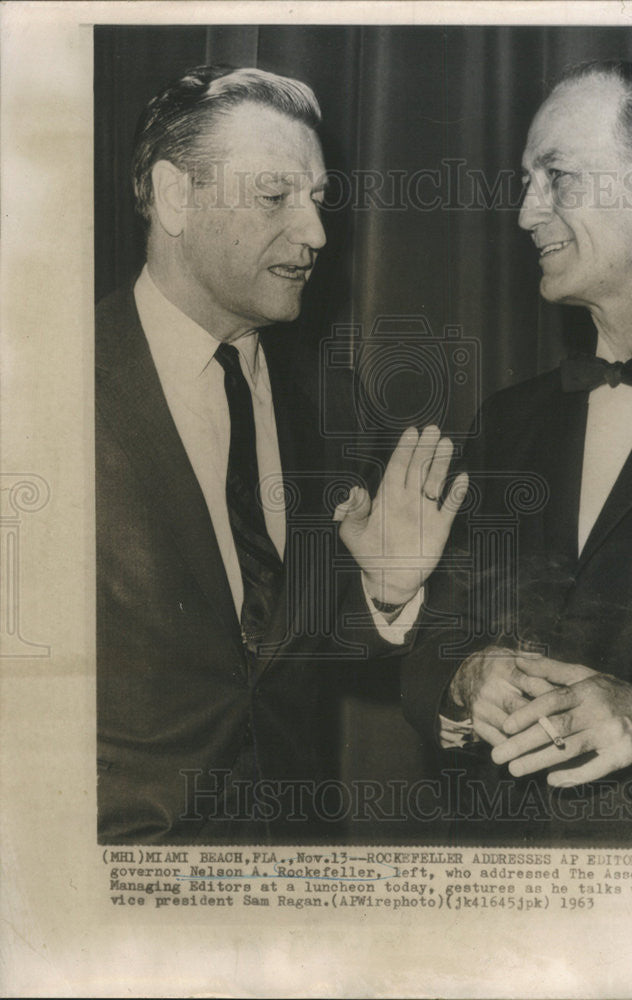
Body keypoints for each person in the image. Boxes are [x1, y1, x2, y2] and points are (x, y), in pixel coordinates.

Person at [96, 65, 466, 844]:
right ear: (174, 197)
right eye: (276, 198)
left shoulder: (325, 402)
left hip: (292, 876)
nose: (318, 234)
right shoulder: (43, 383)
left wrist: (386, 594)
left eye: (319, 200)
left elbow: (270, 649)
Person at [402, 60, 632, 842]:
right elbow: (438, 637)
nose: (526, 212)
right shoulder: (508, 422)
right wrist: (464, 678)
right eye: (526, 180)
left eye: (556, 176)